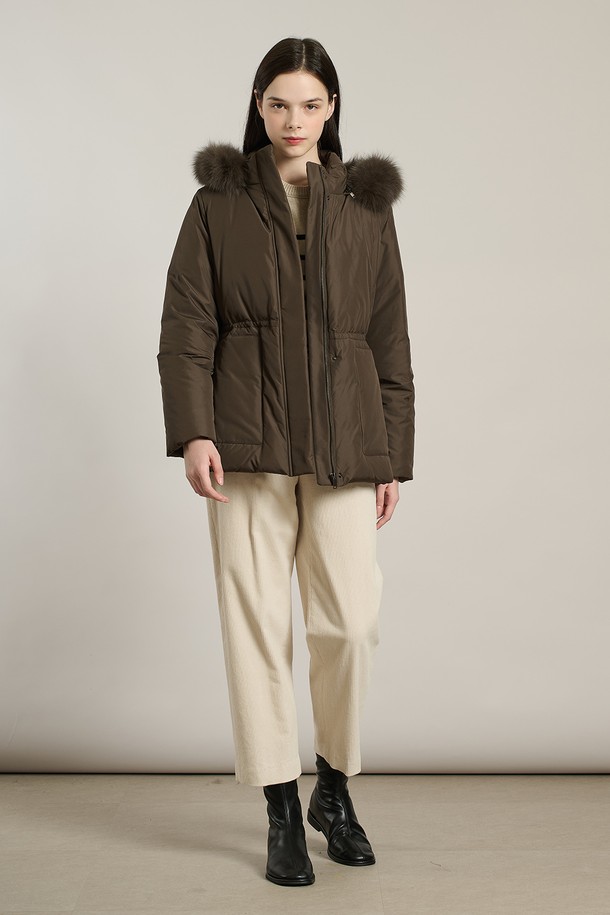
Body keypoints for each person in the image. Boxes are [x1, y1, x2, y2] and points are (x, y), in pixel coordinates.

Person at [156, 36, 415, 887]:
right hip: (245, 450)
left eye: (309, 104)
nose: (294, 120)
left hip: (345, 448)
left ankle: (331, 790)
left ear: (331, 107)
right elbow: (188, 326)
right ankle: (278, 807)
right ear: (258, 106)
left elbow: (388, 337)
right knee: (256, 625)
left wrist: (391, 454)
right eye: (278, 104)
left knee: (350, 623)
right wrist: (195, 431)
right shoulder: (217, 204)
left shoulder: (366, 207)